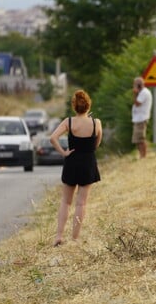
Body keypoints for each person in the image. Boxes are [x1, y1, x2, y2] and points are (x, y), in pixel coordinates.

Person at [50, 89, 102, 247]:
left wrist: (63, 152)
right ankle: (75, 238)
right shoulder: (96, 123)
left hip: (72, 162)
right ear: (88, 105)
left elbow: (53, 138)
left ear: (74, 106)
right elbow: (97, 144)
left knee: (66, 201)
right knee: (81, 203)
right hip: (88, 162)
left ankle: (59, 236)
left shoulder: (69, 122)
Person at [131, 76, 153, 158]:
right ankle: (141, 155)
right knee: (138, 139)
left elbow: (137, 103)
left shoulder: (144, 92)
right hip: (138, 118)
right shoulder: (142, 92)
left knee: (140, 139)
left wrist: (135, 93)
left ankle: (143, 156)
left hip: (141, 119)